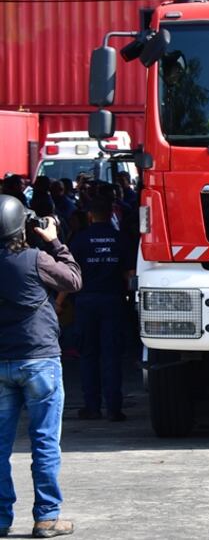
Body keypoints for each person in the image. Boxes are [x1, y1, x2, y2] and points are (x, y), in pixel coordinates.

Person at [0, 194, 81, 538]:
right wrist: (54, 241)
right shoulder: (36, 259)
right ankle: (47, 517)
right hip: (40, 361)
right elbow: (73, 280)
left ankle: (1, 518)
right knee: (45, 442)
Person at [67, 197, 134, 422]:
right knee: (112, 356)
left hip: (86, 302)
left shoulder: (79, 239)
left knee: (88, 355)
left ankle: (92, 407)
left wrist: (59, 301)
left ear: (89, 216)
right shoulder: (120, 239)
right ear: (111, 214)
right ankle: (114, 408)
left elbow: (70, 274)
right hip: (113, 301)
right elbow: (130, 274)